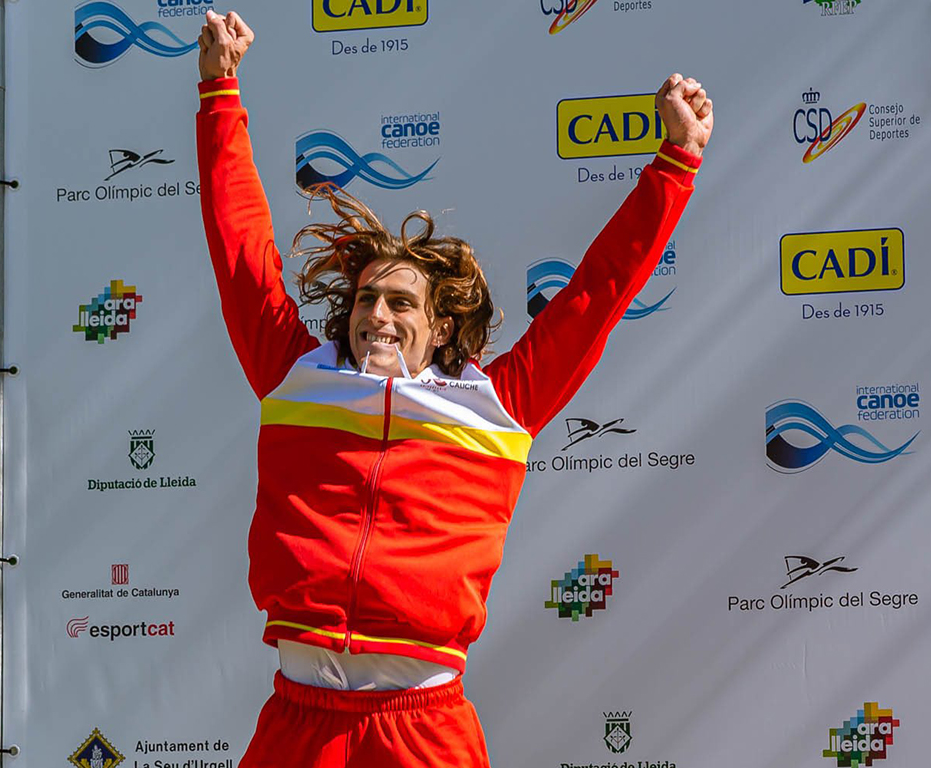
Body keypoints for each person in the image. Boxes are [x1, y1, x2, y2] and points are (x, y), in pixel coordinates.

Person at [195, 9, 713, 768]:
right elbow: (239, 246)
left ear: (440, 328)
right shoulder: (296, 379)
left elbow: (595, 295)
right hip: (299, 722)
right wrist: (219, 94)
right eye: (367, 299)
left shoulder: (498, 406)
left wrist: (675, 164)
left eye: (400, 303)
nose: (377, 315)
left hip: (423, 728)